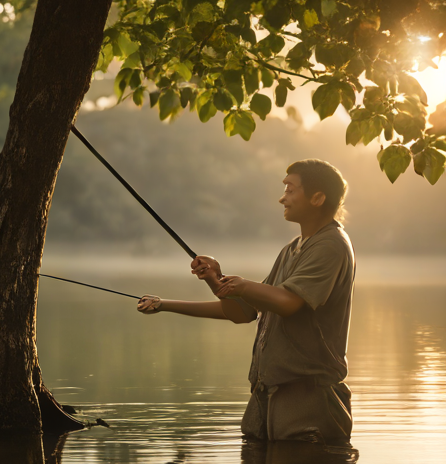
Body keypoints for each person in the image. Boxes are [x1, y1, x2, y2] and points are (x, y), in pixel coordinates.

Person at [137, 159, 355, 446]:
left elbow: (289, 303)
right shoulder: (292, 249)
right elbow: (243, 312)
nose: (282, 197)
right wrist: (210, 282)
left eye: (290, 189)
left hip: (309, 403)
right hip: (268, 401)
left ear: (317, 198)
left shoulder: (330, 244)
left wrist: (241, 285)